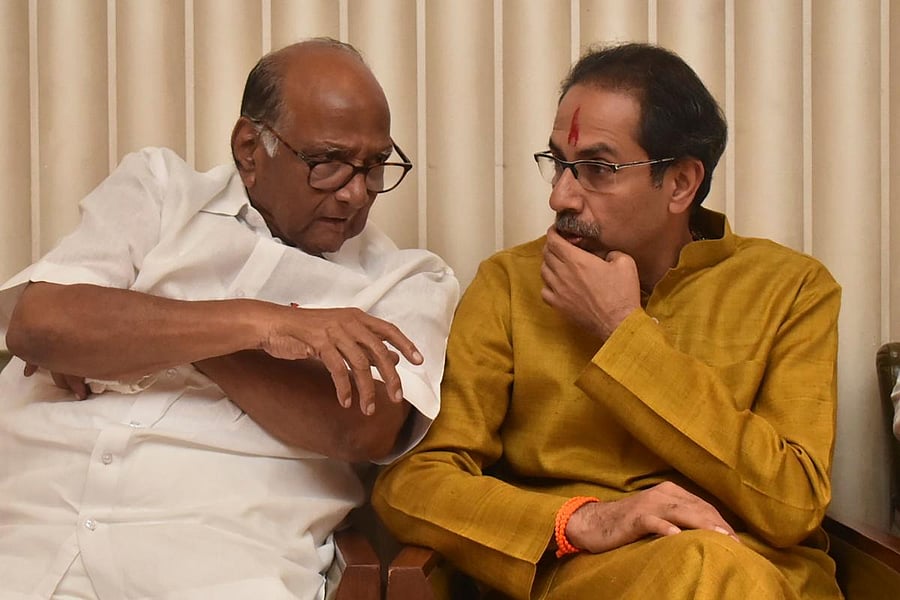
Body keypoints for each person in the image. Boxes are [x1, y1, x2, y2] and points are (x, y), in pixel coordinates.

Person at [373, 42, 842, 599]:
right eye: (558, 163)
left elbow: (792, 505)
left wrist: (622, 333)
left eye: (597, 168)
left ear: (681, 184)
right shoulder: (509, 284)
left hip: (754, 576)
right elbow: (411, 484)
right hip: (588, 579)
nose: (559, 196)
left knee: (715, 565)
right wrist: (584, 520)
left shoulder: (792, 288)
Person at [0, 38, 458, 599]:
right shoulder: (159, 190)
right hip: (28, 533)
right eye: (329, 164)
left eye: (375, 165)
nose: (356, 193)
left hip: (219, 559)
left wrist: (144, 330)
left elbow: (361, 426)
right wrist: (261, 325)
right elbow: (40, 325)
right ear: (249, 147)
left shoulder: (408, 281)